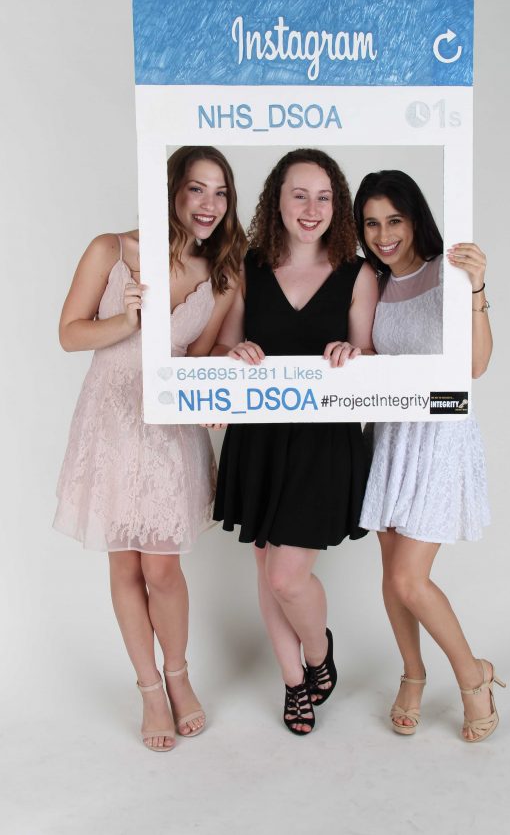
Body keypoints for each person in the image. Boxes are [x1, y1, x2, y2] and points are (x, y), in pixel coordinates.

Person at [54, 146, 246, 751]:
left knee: (162, 565)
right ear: (172, 191)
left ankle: (179, 674)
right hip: (109, 421)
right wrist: (126, 322)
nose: (209, 205)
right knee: (124, 564)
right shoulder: (112, 249)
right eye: (196, 189)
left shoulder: (223, 275)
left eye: (220, 193)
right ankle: (148, 690)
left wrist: (230, 363)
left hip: (168, 428)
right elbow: (68, 333)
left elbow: (200, 357)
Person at [212, 148, 378, 735]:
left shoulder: (359, 274)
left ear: (338, 205)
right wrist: (236, 353)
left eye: (324, 196)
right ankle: (292, 684)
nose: (312, 209)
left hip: (325, 443)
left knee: (287, 576)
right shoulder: (248, 268)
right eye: (299, 195)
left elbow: (373, 362)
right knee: (266, 569)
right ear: (275, 201)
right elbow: (222, 351)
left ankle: (317, 652)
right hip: (258, 438)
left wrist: (352, 354)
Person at [355, 169, 505, 743]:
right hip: (391, 436)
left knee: (410, 578)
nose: (383, 233)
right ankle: (413, 675)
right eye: (371, 222)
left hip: (440, 435)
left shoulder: (450, 274)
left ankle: (473, 678)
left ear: (415, 218)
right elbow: (369, 355)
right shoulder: (372, 281)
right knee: (392, 577)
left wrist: (479, 288)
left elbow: (475, 365)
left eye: (394, 219)